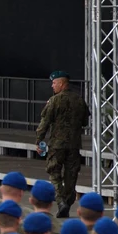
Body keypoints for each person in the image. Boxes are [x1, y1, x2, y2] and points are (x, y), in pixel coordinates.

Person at [36, 71, 89, 216]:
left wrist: (38, 140)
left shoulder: (54, 101)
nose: (52, 86)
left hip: (57, 144)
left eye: (54, 83)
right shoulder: (79, 100)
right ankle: (67, 202)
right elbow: (85, 122)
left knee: (54, 172)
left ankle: (60, 201)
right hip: (74, 144)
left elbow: (44, 123)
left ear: (61, 83)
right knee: (71, 175)